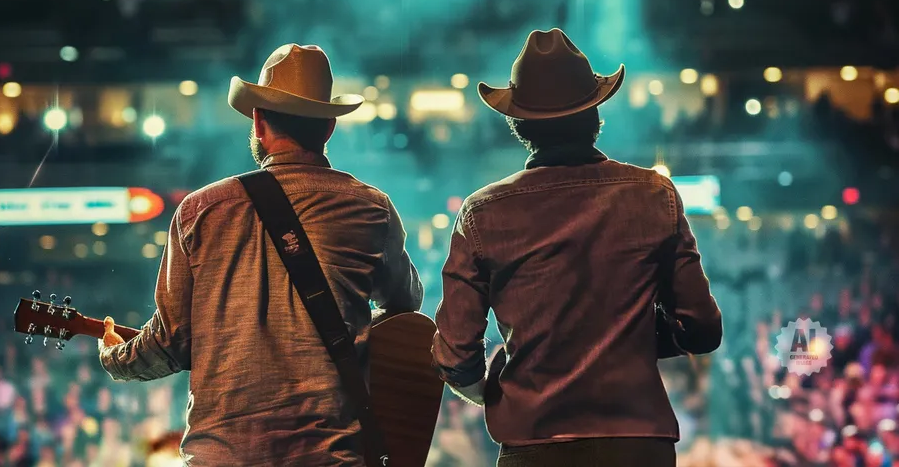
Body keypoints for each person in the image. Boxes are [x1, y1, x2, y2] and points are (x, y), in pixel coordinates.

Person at [99, 44, 424, 465]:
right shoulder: (370, 208)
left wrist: (115, 355)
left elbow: (170, 343)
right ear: (329, 126)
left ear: (258, 121)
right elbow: (405, 307)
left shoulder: (200, 211)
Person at [432, 29, 723, 467]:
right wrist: (640, 335)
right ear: (595, 112)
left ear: (519, 124)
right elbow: (702, 327)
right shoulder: (653, 194)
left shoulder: (482, 213)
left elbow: (455, 354)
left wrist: (491, 392)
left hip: (534, 448)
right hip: (638, 446)